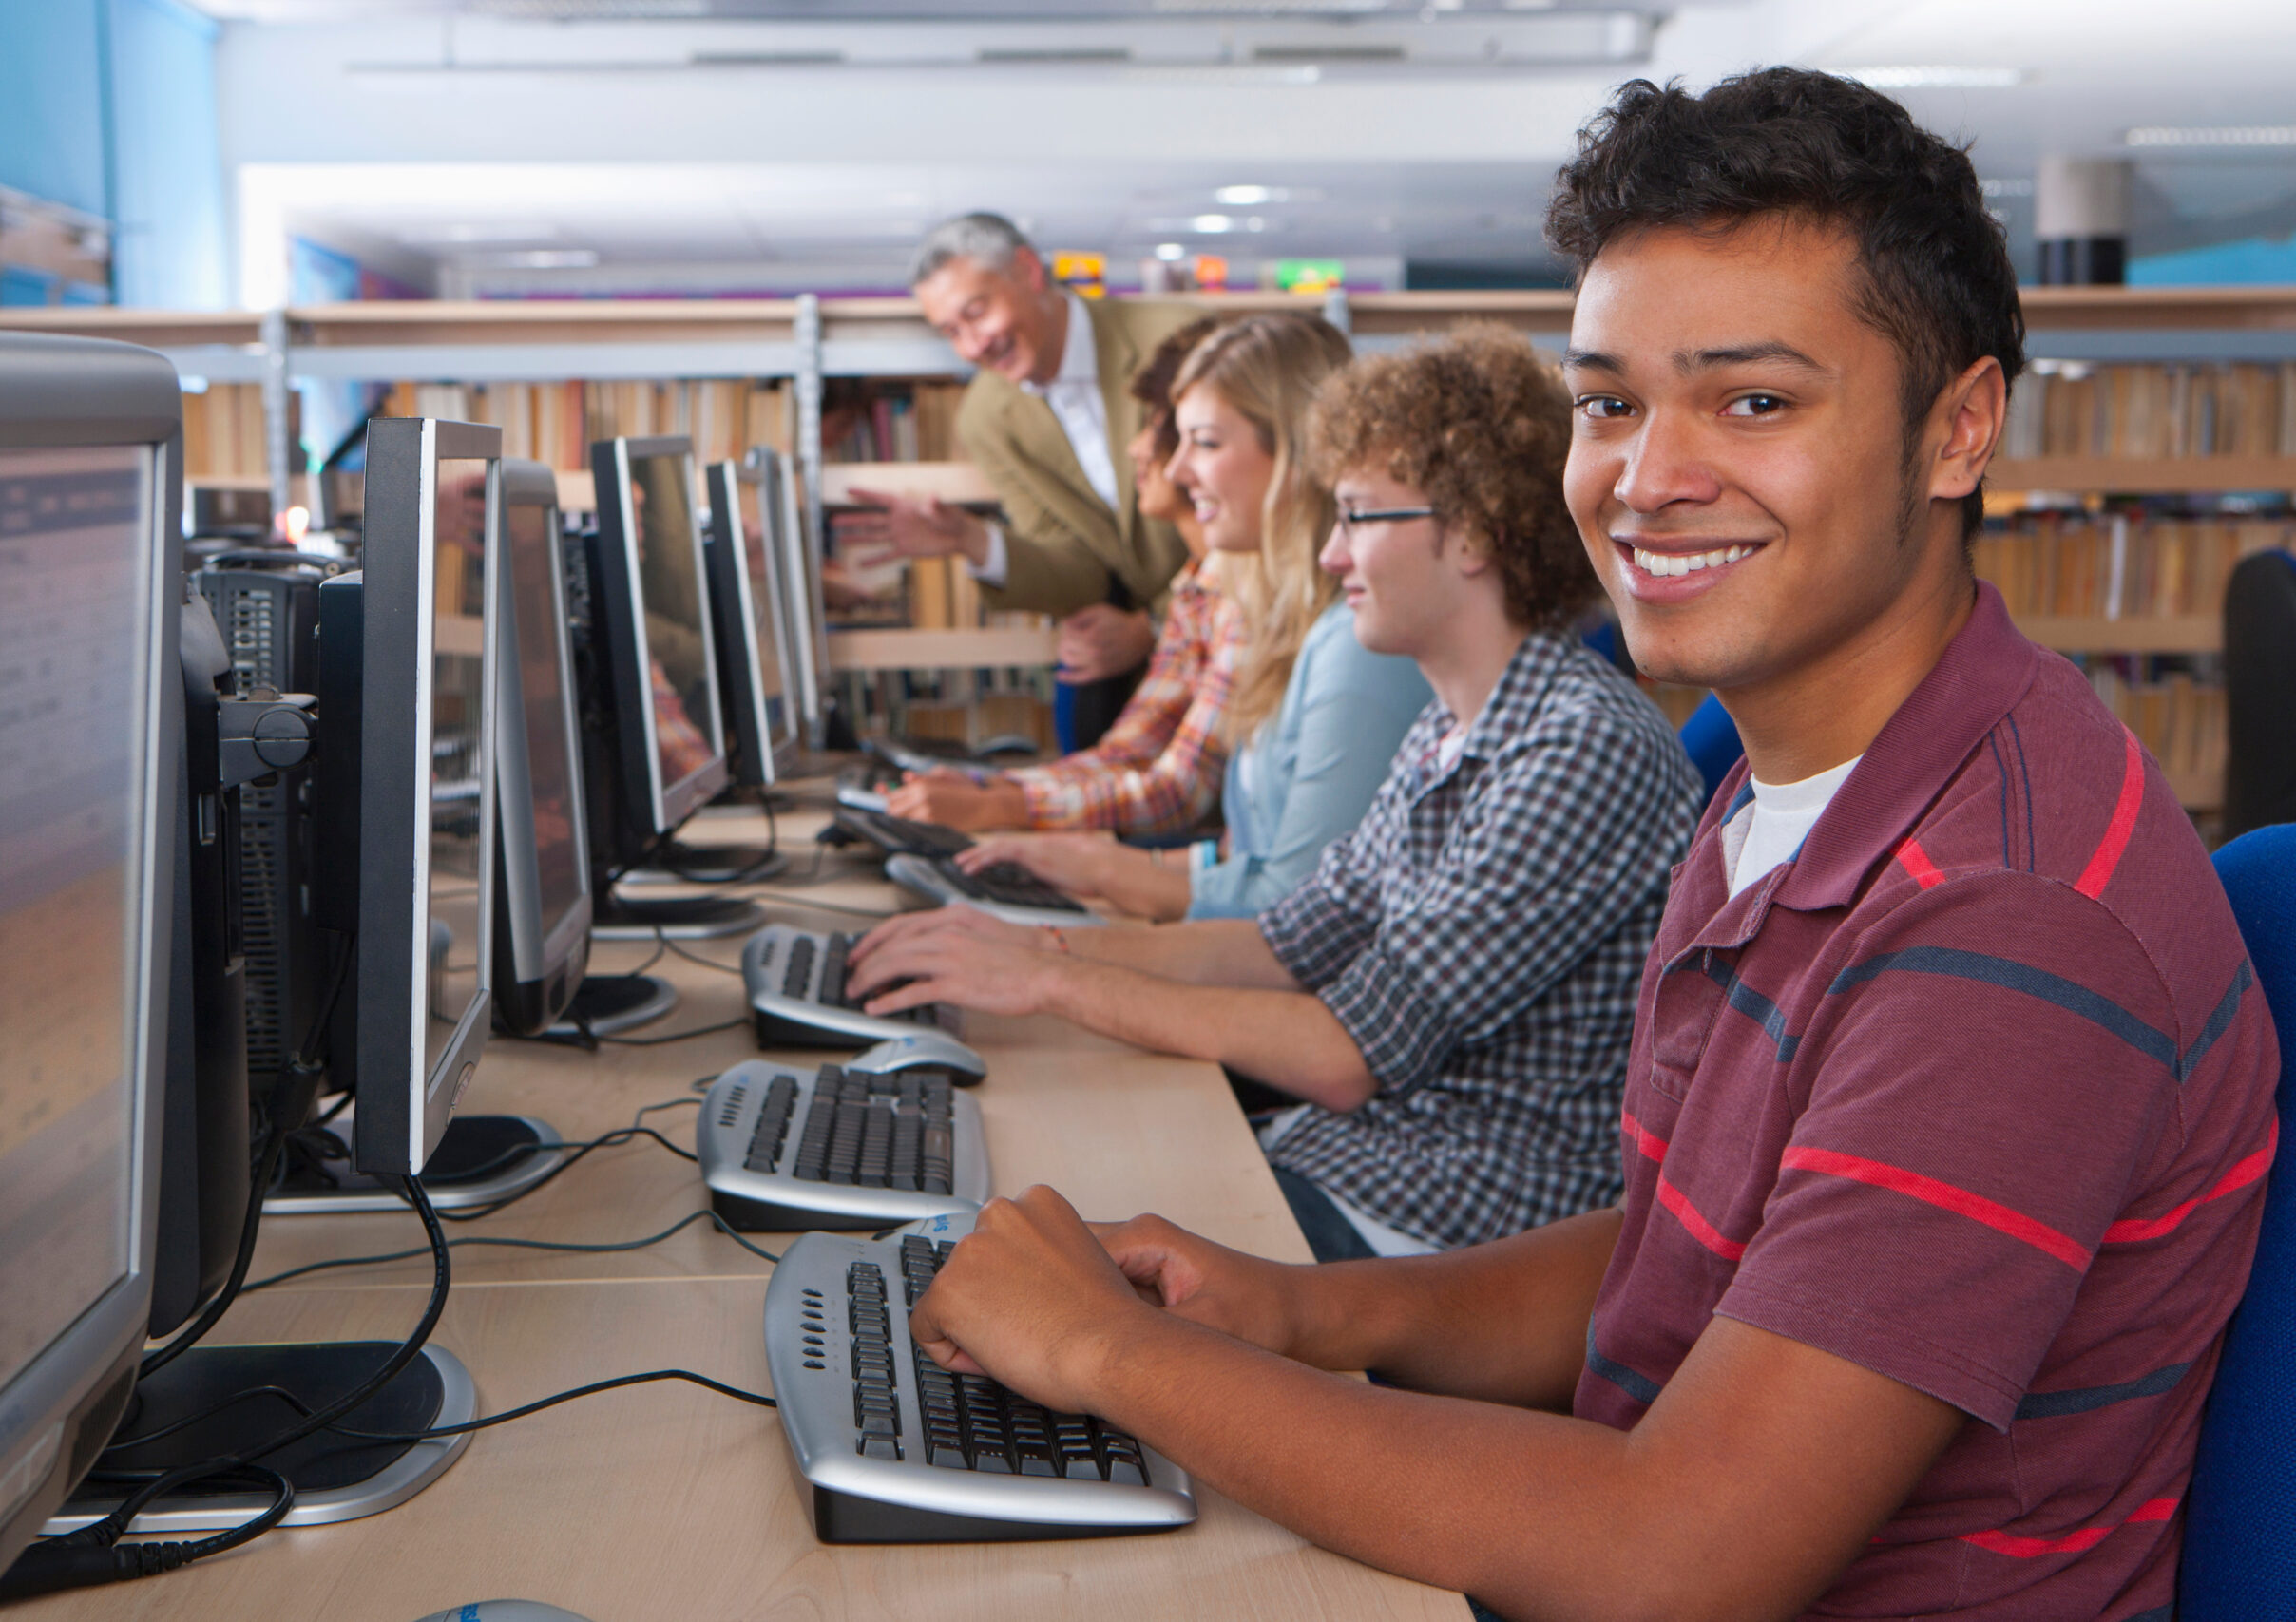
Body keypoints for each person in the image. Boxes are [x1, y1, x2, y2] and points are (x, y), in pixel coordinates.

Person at [871, 70, 2282, 1622]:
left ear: (1959, 428)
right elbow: (1702, 1251)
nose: (1646, 475)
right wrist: (1292, 1309)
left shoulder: (2005, 917)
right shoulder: (1784, 774)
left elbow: (1679, 1554)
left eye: (1753, 400)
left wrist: (1113, 1354)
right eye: (1609, 401)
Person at [850, 321, 1699, 1257]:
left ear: (1475, 533)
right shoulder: (1447, 729)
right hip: (1367, 1166)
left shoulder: (1576, 747)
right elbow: (1284, 944)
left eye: (1358, 519)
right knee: (994, 1209)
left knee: (993, 1249)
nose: (1331, 556)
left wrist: (1052, 979)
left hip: (1454, 1226)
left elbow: (1345, 1055)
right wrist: (1027, 944)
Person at [939, 315, 1441, 922]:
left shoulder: (1356, 643)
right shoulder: (1269, 610)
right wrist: (1083, 861)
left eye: (1203, 442)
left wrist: (1100, 868)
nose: (1175, 471)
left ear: (1292, 449)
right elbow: (1252, 855)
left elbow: (1299, 909)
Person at [850, 213, 1203, 748]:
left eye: (977, 312)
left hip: (1242, 633)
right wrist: (968, 539)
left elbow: (1252, 515)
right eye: (950, 331)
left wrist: (1153, 628)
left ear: (1028, 271)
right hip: (1154, 686)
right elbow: (1078, 568)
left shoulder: (1179, 341)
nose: (972, 346)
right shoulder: (986, 418)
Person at [888, 315, 1240, 840]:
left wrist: (1002, 807)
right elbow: (1130, 751)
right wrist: (990, 792)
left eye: (1192, 437)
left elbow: (1176, 790)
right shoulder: (1197, 585)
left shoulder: (1245, 595)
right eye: (949, 330)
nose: (1137, 448)